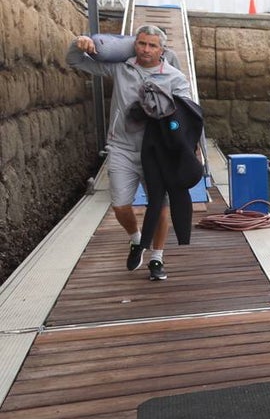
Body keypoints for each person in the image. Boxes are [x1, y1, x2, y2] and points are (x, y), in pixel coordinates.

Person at [67, 26, 192, 281]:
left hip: (156, 153)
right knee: (120, 205)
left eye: (152, 46)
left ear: (162, 50)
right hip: (122, 147)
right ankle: (136, 240)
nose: (146, 50)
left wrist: (176, 134)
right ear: (135, 44)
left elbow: (186, 117)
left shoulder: (175, 78)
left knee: (160, 206)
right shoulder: (121, 68)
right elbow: (75, 60)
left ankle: (156, 258)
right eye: (142, 44)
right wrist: (78, 43)